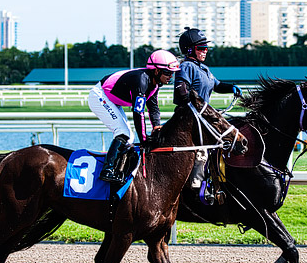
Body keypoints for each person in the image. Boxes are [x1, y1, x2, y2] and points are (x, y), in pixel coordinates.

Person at [173, 27, 242, 204]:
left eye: (205, 47)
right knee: (205, 150)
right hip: (191, 119)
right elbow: (181, 93)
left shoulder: (203, 68)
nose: (205, 50)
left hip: (204, 117)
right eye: (201, 48)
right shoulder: (186, 67)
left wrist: (231, 87)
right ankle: (195, 188)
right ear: (189, 50)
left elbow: (216, 84)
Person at [88, 49, 179, 184]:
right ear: (156, 71)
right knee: (123, 132)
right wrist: (144, 141)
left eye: (172, 73)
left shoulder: (154, 84)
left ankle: (118, 170)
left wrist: (157, 126)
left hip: (112, 99)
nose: (170, 76)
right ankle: (107, 170)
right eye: (167, 72)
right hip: (100, 96)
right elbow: (138, 113)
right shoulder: (142, 80)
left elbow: (153, 107)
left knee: (129, 136)